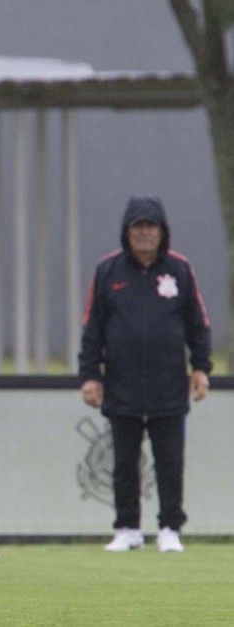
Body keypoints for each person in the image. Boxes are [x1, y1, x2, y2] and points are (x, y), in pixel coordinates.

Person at [79, 195, 211, 553]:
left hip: (170, 386)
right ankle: (127, 528)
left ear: (162, 231)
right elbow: (92, 328)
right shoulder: (108, 271)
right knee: (124, 463)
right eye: (138, 227)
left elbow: (198, 325)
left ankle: (170, 528)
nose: (144, 233)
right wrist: (90, 375)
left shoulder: (180, 269)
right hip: (121, 386)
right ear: (127, 231)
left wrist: (200, 367)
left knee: (170, 462)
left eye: (151, 226)